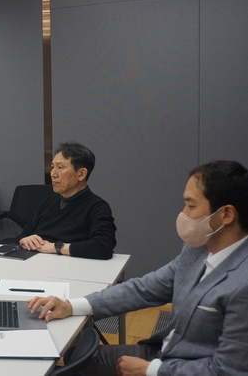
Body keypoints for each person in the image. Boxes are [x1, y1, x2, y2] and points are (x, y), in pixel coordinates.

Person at [28, 160, 248, 376]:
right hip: (165, 351)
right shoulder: (197, 249)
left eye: (191, 206)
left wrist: (151, 370)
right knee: (75, 357)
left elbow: (229, 370)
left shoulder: (243, 284)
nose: (183, 214)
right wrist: (71, 306)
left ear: (226, 215)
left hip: (184, 366)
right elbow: (144, 289)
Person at [17, 142, 117, 259]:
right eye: (52, 167)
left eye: (60, 168)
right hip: (36, 261)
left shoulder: (97, 207)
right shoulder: (49, 201)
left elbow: (103, 246)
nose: (53, 174)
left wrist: (55, 247)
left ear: (81, 174)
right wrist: (24, 240)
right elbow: (25, 234)